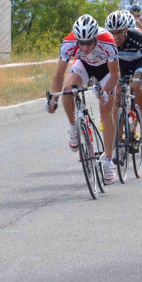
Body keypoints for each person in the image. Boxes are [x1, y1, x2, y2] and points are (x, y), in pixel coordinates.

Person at [46, 15, 120, 184]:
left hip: (106, 71)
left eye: (89, 43)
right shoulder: (69, 42)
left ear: (96, 38)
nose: (85, 47)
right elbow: (58, 75)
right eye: (82, 43)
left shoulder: (108, 41)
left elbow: (115, 74)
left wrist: (105, 92)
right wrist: (53, 100)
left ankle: (108, 162)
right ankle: (73, 126)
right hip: (84, 67)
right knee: (67, 90)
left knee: (106, 110)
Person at [104, 10, 142, 144]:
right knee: (117, 94)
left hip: (139, 63)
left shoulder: (139, 38)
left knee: (136, 86)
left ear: (126, 30)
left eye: (119, 32)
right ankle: (117, 139)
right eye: (112, 33)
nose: (115, 37)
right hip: (121, 65)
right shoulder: (106, 40)